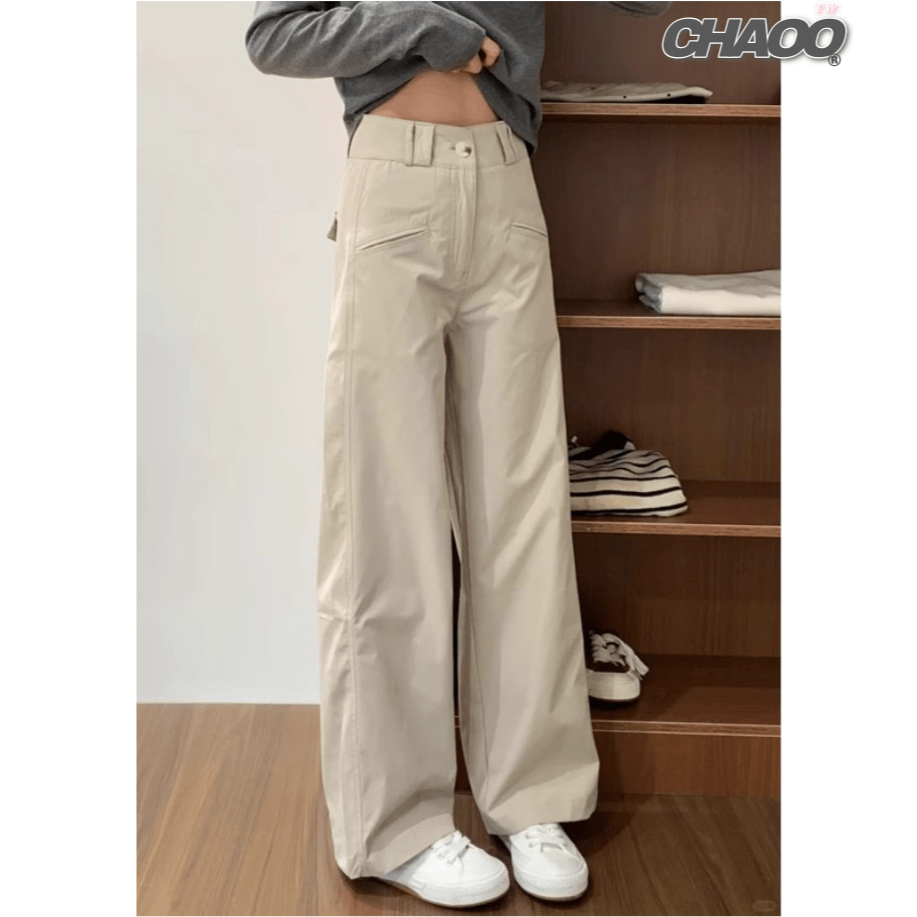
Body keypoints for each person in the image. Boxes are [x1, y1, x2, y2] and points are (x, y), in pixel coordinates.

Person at [244, 1, 672, 908]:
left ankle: (533, 798)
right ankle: (395, 823)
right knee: (383, 515)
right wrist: (422, 27)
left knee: (521, 512)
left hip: (507, 178)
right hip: (392, 174)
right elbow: (275, 34)